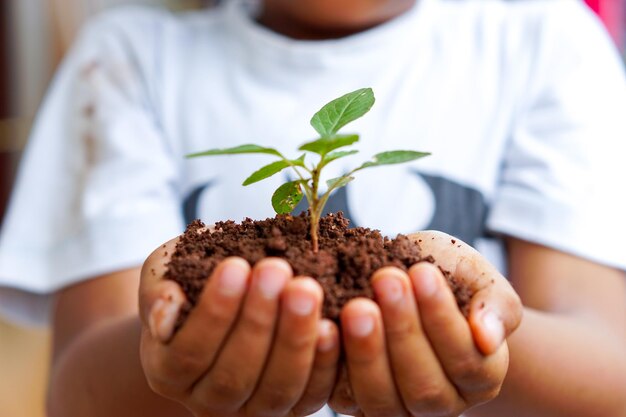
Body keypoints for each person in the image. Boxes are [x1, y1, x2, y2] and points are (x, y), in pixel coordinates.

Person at [0, 0, 625, 416]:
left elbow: (609, 371)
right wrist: (182, 341)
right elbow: (76, 393)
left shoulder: (544, 37)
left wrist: (474, 335)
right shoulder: (125, 57)